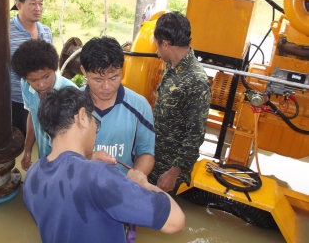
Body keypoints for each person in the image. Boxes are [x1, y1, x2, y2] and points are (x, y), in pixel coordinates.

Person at [23, 86, 185, 243]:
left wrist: (87, 161)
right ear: (82, 117)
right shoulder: (99, 176)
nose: (95, 130)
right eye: (96, 122)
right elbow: (175, 220)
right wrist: (141, 183)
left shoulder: (32, 176)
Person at [148, 11, 211, 194]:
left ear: (166, 44)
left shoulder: (196, 81)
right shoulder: (172, 65)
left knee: (161, 219)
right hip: (154, 157)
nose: (156, 50)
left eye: (157, 44)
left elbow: (195, 135)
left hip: (167, 169)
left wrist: (173, 173)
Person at [79, 36, 155, 176]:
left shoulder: (140, 106)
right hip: (80, 187)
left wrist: (129, 185)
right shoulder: (71, 106)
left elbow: (146, 154)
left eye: (114, 78)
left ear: (123, 68)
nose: (107, 87)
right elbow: (59, 154)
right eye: (98, 80)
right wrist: (89, 157)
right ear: (83, 71)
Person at [11, 39, 76, 170]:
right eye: (33, 80)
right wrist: (28, 150)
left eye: (46, 76)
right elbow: (32, 114)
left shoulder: (71, 94)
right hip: (43, 158)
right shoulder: (25, 85)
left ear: (54, 69)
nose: (41, 85)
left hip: (66, 164)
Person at [10, 0, 52, 137]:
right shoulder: (6, 32)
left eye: (40, 3)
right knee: (19, 140)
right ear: (18, 5)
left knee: (43, 139)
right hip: (17, 101)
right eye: (32, 3)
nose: (38, 8)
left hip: (43, 98)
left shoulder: (46, 31)